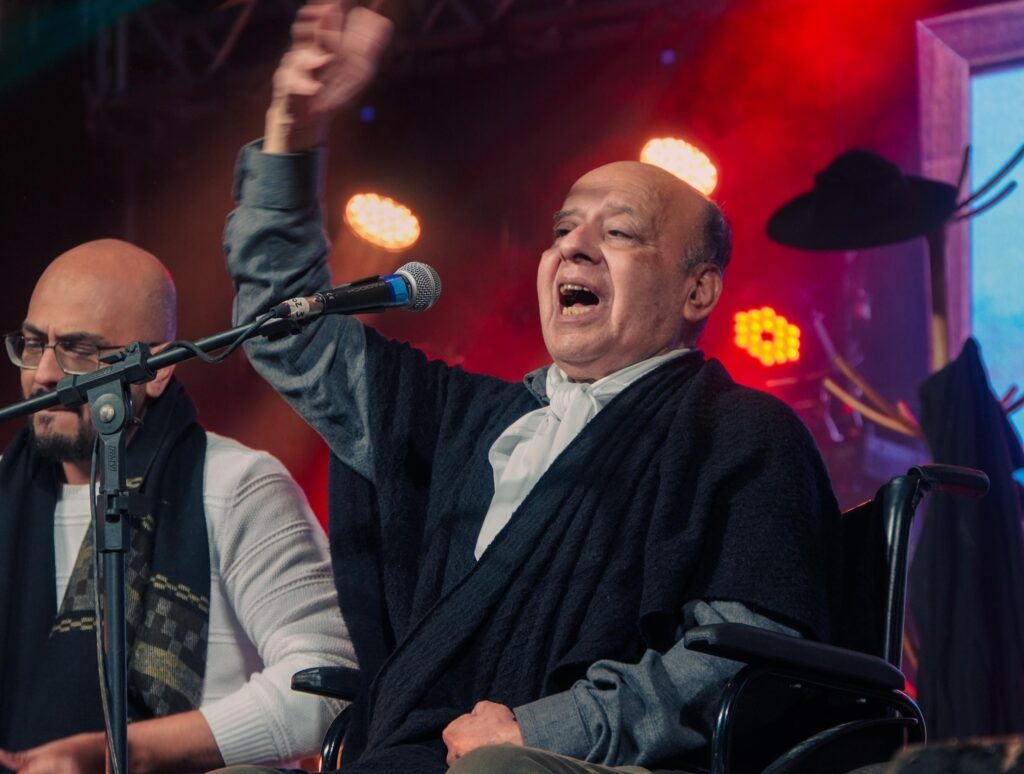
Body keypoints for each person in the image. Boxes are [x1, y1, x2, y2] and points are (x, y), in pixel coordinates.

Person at [222, 3, 840, 772]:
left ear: (698, 291)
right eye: (562, 229)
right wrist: (292, 131)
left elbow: (744, 657)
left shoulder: (742, 434)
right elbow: (286, 327)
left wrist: (547, 731)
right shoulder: (460, 422)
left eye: (619, 232)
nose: (574, 246)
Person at [0, 240, 357, 774]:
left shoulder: (236, 485)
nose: (44, 374)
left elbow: (328, 684)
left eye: (77, 349)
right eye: (33, 344)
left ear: (158, 368)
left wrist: (124, 754)